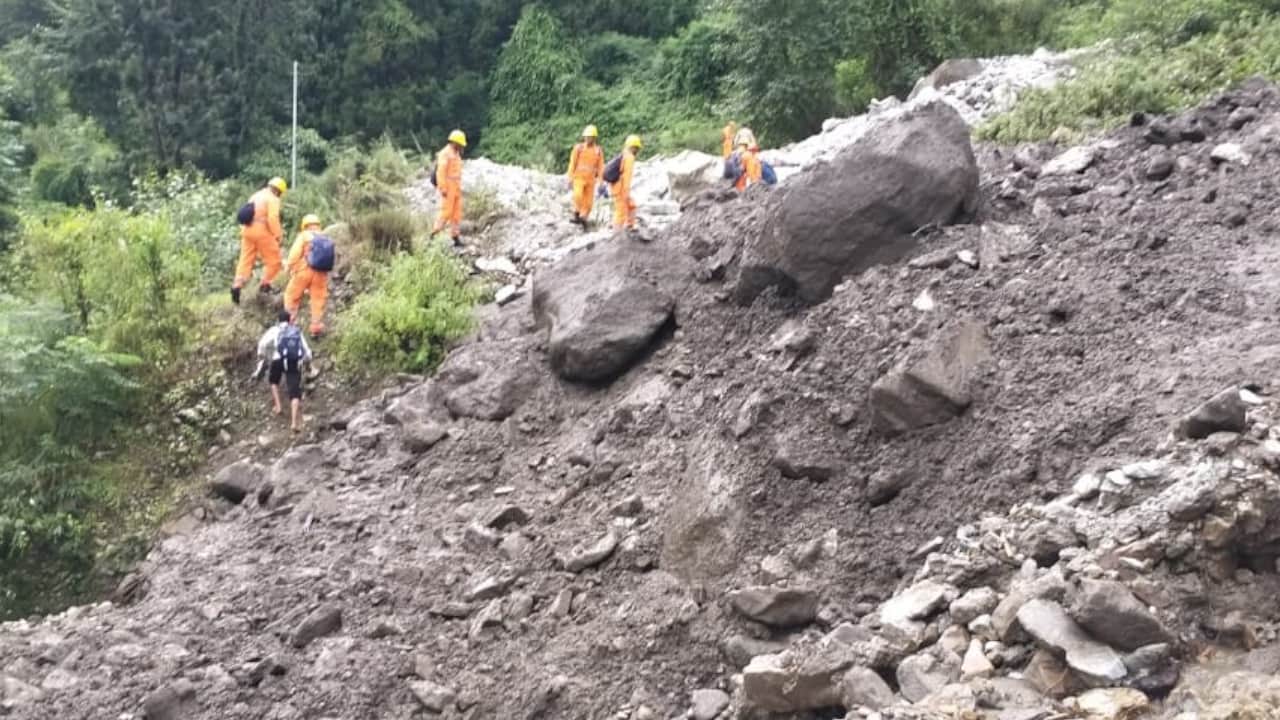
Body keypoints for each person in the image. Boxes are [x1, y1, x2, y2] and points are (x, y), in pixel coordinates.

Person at [232, 177, 287, 305]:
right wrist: (278, 235)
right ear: (278, 191)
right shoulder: (273, 199)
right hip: (261, 232)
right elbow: (272, 218)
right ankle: (266, 285)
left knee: (245, 259)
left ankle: (237, 285)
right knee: (274, 261)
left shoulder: (256, 195)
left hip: (247, 231)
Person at [256, 310, 313, 432]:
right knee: (294, 392)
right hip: (293, 362)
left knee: (273, 381)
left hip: (277, 359)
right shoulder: (295, 331)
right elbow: (306, 351)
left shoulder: (274, 330)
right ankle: (294, 423)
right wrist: (307, 362)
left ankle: (278, 406)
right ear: (289, 320)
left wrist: (263, 356)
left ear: (278, 320)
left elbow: (262, 344)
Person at [283, 214, 335, 337]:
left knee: (291, 296)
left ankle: (290, 324)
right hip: (321, 274)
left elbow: (294, 254)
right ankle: (316, 328)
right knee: (318, 300)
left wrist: (289, 266)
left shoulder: (304, 236)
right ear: (318, 225)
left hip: (304, 271)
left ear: (304, 226)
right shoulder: (325, 237)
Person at [432, 129, 467, 245]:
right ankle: (434, 235)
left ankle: (455, 237)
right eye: (460, 144)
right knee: (446, 213)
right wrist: (443, 188)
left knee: (456, 214)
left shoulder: (456, 153)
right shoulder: (445, 154)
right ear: (455, 142)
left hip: (456, 188)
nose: (462, 147)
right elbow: (440, 172)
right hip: (448, 188)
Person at [567, 125, 604, 228]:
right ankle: (576, 213)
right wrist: (570, 177)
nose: (587, 139)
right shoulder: (578, 148)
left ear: (594, 138)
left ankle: (583, 218)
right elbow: (572, 163)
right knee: (577, 195)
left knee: (588, 203)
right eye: (586, 136)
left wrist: (601, 181)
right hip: (579, 177)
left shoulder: (598, 151)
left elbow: (601, 167)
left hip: (590, 180)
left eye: (590, 137)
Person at [611, 134, 642, 230]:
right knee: (620, 211)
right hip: (621, 188)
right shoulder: (629, 158)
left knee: (631, 206)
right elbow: (627, 176)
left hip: (618, 187)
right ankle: (617, 233)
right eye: (636, 148)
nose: (637, 150)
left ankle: (629, 226)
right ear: (633, 147)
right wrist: (626, 191)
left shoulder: (623, 155)